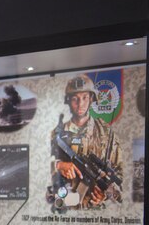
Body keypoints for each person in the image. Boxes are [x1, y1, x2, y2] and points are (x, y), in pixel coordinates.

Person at [49, 75, 123, 209]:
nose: (80, 104)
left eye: (85, 98)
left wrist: (104, 196)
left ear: (91, 99)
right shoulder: (57, 133)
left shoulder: (106, 134)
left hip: (94, 217)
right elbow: (40, 165)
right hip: (64, 212)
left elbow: (119, 171)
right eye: (75, 99)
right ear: (69, 101)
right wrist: (59, 165)